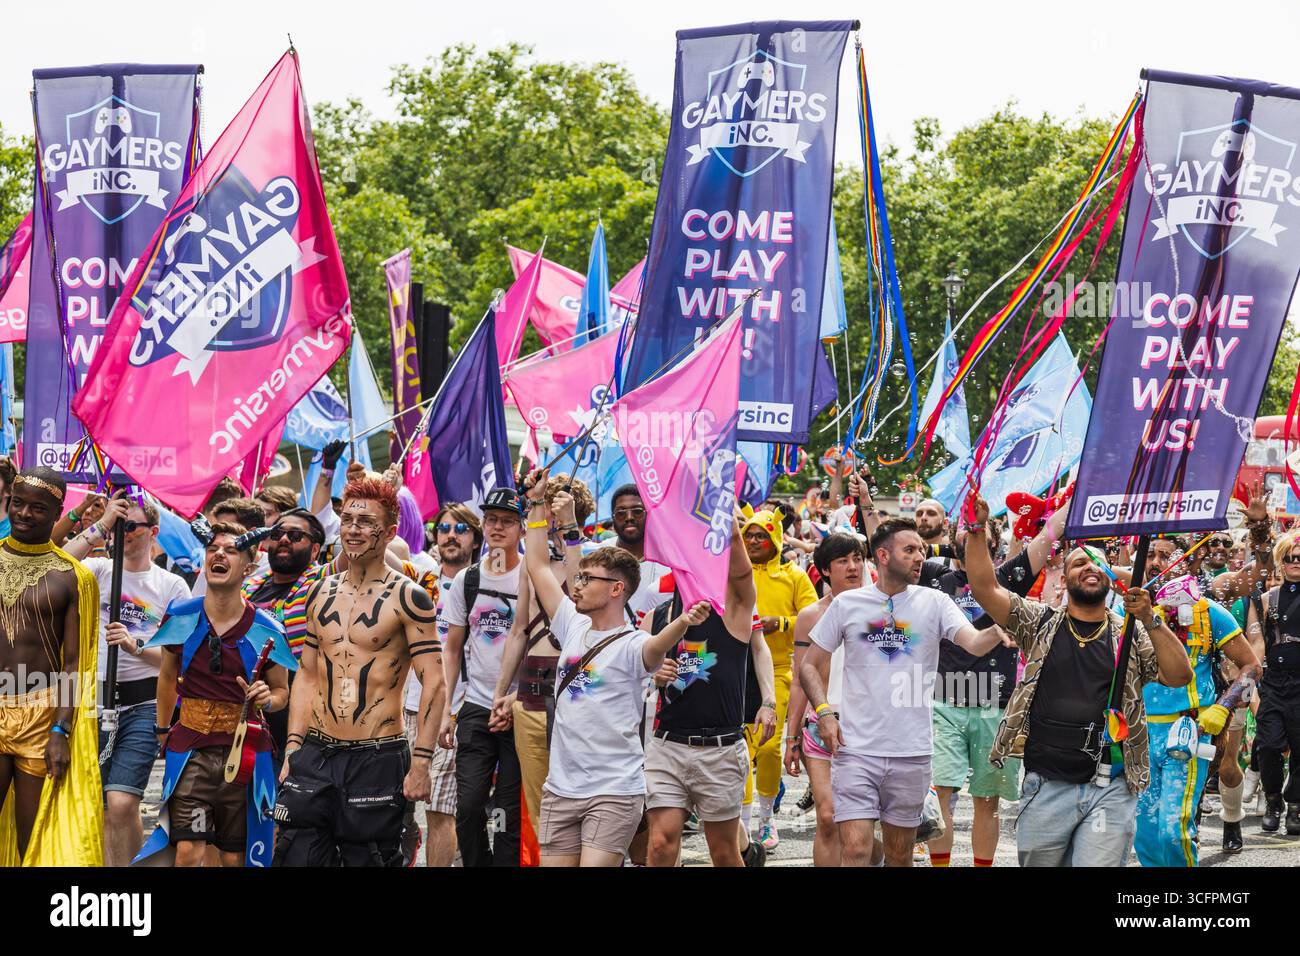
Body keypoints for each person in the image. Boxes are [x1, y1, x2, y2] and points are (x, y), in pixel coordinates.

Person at [964, 497, 1195, 866]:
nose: (1090, 568)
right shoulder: (1038, 622)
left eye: (1098, 564)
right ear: (1063, 576)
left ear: (1110, 578)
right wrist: (976, 530)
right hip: (1046, 784)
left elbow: (1178, 675)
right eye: (1079, 563)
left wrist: (1150, 617)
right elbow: (983, 587)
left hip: (1112, 785)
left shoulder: (1131, 632)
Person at [518, 466, 711, 865]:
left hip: (613, 791)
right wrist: (536, 503)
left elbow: (655, 649)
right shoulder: (571, 621)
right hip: (560, 789)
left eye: (588, 579)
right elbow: (537, 565)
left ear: (617, 589)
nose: (577, 583)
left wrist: (684, 622)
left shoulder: (633, 642)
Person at [800, 517, 1010, 867]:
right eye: (909, 550)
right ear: (882, 555)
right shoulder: (847, 604)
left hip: (910, 752)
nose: (919, 558)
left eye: (921, 551)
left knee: (899, 855)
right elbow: (809, 664)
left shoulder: (935, 602)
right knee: (855, 851)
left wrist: (998, 630)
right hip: (855, 751)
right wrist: (823, 713)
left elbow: (973, 643)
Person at [274, 477, 446, 866]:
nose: (352, 529)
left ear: (388, 532)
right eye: (347, 519)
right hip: (317, 753)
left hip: (378, 757)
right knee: (294, 857)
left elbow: (434, 681)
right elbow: (308, 675)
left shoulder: (409, 597)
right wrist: (293, 748)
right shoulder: (321, 592)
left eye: (365, 521)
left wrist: (421, 762)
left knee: (369, 860)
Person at [136, 521, 294, 867]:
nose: (219, 554)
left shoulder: (267, 628)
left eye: (231, 550)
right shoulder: (181, 617)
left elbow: (282, 692)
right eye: (213, 549)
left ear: (249, 567)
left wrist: (268, 697)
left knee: (235, 857)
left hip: (245, 756)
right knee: (188, 851)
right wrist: (163, 731)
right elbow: (166, 678)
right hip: (191, 751)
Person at [922, 500, 1069, 867]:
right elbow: (883, 545)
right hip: (943, 702)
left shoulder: (1007, 577)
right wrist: (863, 503)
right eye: (962, 526)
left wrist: (1079, 488)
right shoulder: (932, 576)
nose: (968, 529)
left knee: (986, 801)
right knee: (940, 793)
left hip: (995, 704)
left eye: (977, 527)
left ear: (992, 537)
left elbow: (1050, 533)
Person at [63, 494, 191, 867]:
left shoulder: (171, 586)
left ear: (152, 532)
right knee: (99, 803)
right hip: (94, 700)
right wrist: (101, 524)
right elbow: (60, 564)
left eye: (130, 526)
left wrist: (135, 646)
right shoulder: (100, 570)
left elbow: (176, 661)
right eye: (118, 525)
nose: (123, 533)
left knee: (122, 802)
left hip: (143, 703)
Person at [645, 511, 777, 869]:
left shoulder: (733, 609)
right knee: (660, 843)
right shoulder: (657, 615)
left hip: (719, 748)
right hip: (667, 745)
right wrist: (654, 675)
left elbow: (742, 571)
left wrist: (722, 511)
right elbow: (639, 667)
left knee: (723, 852)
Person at [0, 467, 102, 866]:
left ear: (59, 512)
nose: (24, 513)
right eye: (17, 503)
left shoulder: (72, 577)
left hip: (41, 716)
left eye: (37, 508)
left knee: (35, 835)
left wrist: (62, 728)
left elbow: (76, 663)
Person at [490, 474, 590, 865]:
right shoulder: (535, 566)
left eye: (551, 509)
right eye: (543, 510)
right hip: (530, 698)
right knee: (539, 805)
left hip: (577, 698)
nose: (546, 517)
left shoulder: (593, 558)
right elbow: (518, 631)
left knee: (580, 799)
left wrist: (569, 528)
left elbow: (582, 593)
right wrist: (503, 693)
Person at [1132, 574, 1259, 867]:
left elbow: (1251, 667)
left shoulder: (1212, 612)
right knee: (1146, 834)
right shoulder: (1134, 614)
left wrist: (1223, 707)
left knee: (1173, 831)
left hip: (1188, 732)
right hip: (1141, 735)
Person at [440, 487, 528, 867]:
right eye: (491, 519)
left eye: (507, 521)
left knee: (507, 809)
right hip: (476, 706)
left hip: (520, 707)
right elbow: (452, 647)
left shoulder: (532, 576)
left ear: (523, 529)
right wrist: (447, 708)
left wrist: (518, 696)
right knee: (470, 804)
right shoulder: (468, 579)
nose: (497, 527)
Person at [400, 502, 480, 867]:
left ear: (476, 539)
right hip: (403, 709)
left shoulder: (482, 585)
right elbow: (381, 549)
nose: (451, 535)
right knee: (391, 804)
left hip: (450, 711)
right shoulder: (420, 578)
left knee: (439, 811)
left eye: (461, 529)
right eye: (444, 528)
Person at [738, 503, 818, 851]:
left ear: (775, 538)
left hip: (781, 670)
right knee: (739, 748)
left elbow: (814, 618)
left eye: (761, 535)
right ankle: (739, 825)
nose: (753, 540)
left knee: (769, 748)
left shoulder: (794, 576)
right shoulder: (733, 573)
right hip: (737, 672)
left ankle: (766, 820)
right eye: (748, 534)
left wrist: (781, 623)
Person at [785, 532, 865, 867]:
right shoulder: (810, 616)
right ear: (825, 570)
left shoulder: (879, 609)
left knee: (862, 826)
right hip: (820, 726)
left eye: (858, 559)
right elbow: (802, 679)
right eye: (843, 561)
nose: (853, 567)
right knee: (829, 817)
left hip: (868, 726)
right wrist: (790, 737)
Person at [1248, 530, 1300, 835]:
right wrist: (1249, 679)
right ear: (1281, 561)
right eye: (1290, 557)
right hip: (1275, 685)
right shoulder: (1267, 599)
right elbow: (1256, 643)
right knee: (1267, 746)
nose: (1295, 562)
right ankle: (1272, 801)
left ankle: (1295, 807)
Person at [607, 483, 674, 625]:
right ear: (613, 518)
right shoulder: (598, 556)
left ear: (649, 513)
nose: (629, 517)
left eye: (637, 511)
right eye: (621, 513)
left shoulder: (672, 560)